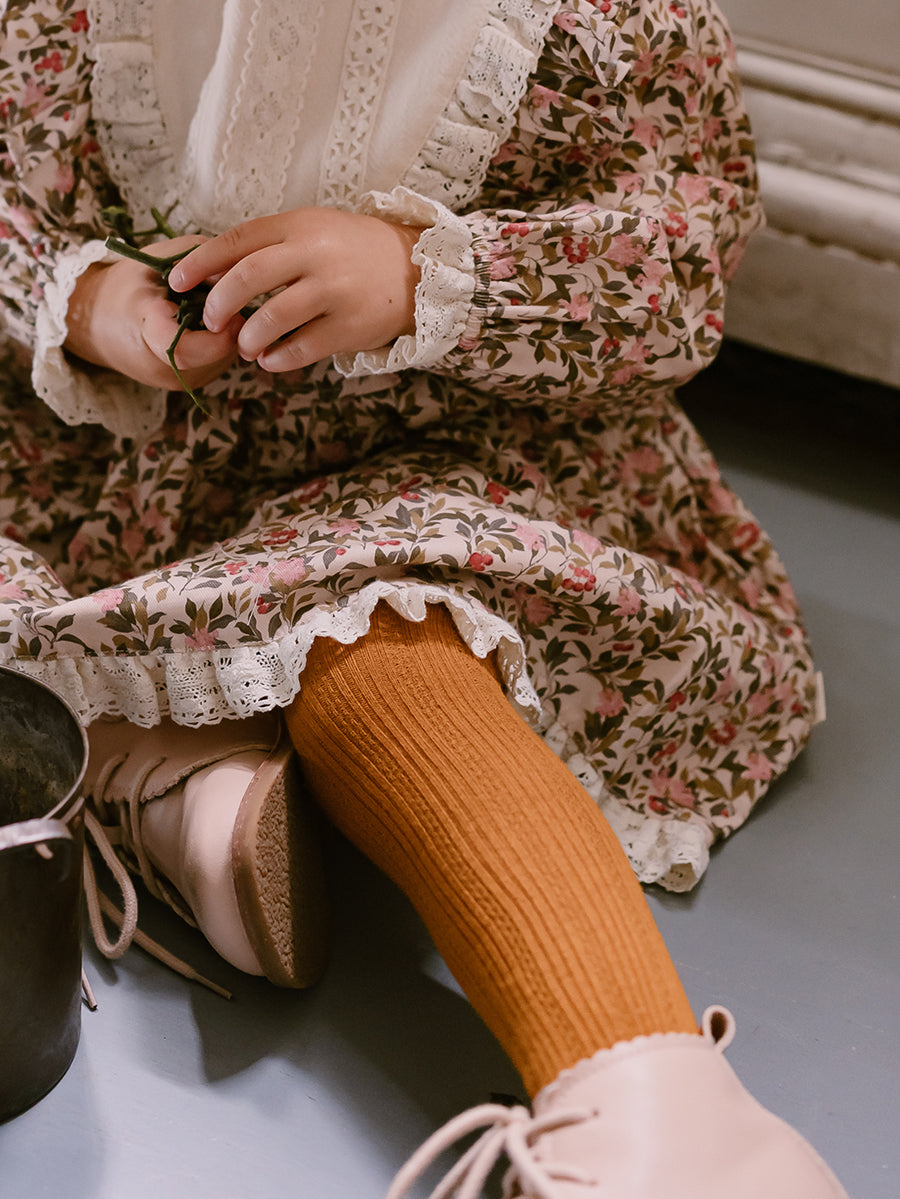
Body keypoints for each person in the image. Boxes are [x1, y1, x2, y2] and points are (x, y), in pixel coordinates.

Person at [1, 1, 846, 1194]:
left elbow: (681, 262)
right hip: (115, 463)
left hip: (439, 468)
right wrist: (88, 300)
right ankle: (176, 761)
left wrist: (426, 277)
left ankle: (660, 1113)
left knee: (392, 649)